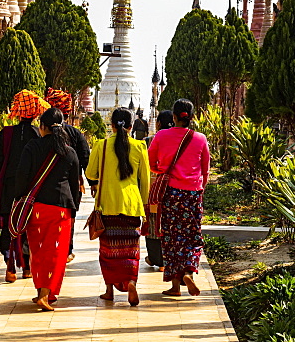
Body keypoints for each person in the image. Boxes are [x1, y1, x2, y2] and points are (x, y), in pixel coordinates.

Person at [14, 107, 82, 311]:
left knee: (38, 251)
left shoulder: (31, 147)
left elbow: (21, 177)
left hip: (37, 208)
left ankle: (41, 291)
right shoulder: (69, 152)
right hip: (61, 210)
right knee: (56, 253)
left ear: (42, 127)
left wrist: (19, 200)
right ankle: (47, 293)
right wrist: (74, 207)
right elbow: (74, 183)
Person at [85, 107, 150, 306]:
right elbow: (145, 181)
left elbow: (91, 173)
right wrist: (145, 207)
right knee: (131, 250)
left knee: (108, 251)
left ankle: (109, 290)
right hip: (131, 206)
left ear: (111, 125)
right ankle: (131, 282)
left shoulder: (101, 145)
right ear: (131, 126)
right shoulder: (140, 147)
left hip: (107, 206)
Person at [148, 98, 210, 297]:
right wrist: (200, 187)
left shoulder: (161, 136)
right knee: (192, 236)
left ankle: (175, 286)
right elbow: (205, 170)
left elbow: (150, 162)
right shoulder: (200, 139)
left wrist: (163, 171)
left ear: (173, 117)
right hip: (192, 194)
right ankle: (189, 272)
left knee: (172, 238)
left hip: (170, 194)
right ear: (191, 118)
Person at [0, 89, 49, 283]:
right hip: (31, 190)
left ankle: (10, 266)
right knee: (28, 227)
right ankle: (26, 267)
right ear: (35, 112)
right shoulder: (39, 135)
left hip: (9, 187)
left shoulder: (5, 134)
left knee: (9, 226)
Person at [45, 87, 91, 262]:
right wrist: (92, 182)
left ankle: (47, 249)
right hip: (71, 184)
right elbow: (85, 157)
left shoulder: (41, 132)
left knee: (47, 220)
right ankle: (66, 250)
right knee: (68, 218)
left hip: (45, 183)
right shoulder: (74, 133)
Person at [144, 109, 175, 268]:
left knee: (152, 224)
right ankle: (167, 258)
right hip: (174, 189)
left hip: (152, 189)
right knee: (168, 223)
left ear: (157, 124)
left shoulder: (147, 141)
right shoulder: (178, 140)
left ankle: (156, 258)